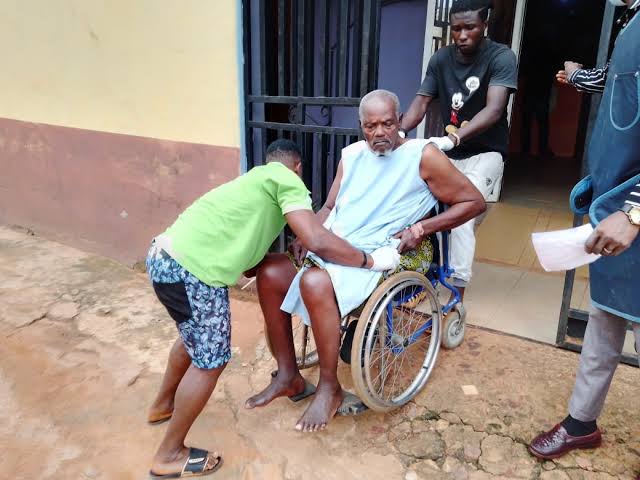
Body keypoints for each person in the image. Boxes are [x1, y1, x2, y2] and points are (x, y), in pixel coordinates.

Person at [144, 139, 401, 478]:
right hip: (193, 272)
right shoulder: (287, 180)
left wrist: (281, 254)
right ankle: (169, 454)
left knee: (192, 338)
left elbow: (251, 264)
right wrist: (369, 260)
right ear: (298, 168)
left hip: (163, 256)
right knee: (210, 361)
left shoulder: (252, 181)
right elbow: (317, 239)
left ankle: (163, 404)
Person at [244, 89, 486, 432]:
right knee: (270, 271)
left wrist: (421, 227)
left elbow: (473, 202)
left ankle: (330, 387)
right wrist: (308, 233)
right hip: (338, 245)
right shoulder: (353, 155)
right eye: (371, 126)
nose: (379, 132)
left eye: (387, 123)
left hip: (391, 251)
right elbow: (330, 206)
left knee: (314, 281)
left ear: (400, 121)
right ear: (361, 126)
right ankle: (287, 374)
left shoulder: (423, 155)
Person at [528, 0, 640, 469]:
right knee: (604, 319)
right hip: (617, 200)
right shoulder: (631, 18)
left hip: (631, 209)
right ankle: (581, 423)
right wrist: (579, 77)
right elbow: (620, 84)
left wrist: (634, 213)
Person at [400, 0, 517, 302]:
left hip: (486, 152)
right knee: (416, 203)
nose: (462, 35)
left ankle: (456, 293)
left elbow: (494, 109)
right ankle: (422, 274)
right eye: (456, 29)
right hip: (450, 154)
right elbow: (421, 102)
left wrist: (454, 139)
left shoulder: (501, 57)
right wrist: (398, 133)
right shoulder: (441, 59)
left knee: (462, 214)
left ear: (485, 25)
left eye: (470, 28)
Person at [556, 1, 639, 94]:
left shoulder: (636, 20)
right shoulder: (632, 17)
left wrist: (574, 73)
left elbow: (609, 79)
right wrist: (579, 79)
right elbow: (620, 78)